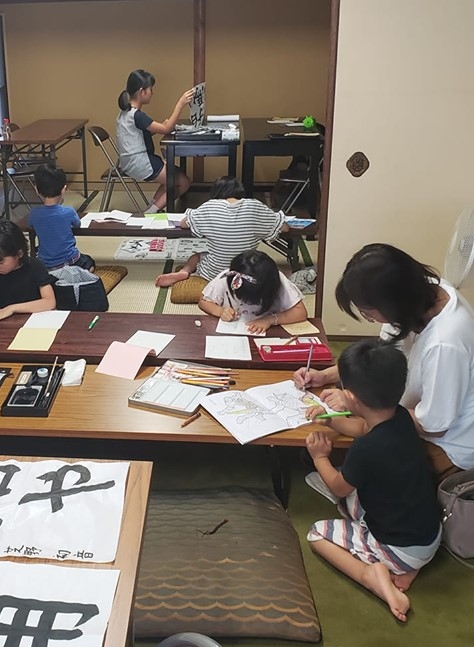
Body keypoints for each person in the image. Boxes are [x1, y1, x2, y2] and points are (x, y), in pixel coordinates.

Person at [294, 242, 474, 479]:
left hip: (448, 444)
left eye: (369, 313)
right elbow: (380, 352)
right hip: (405, 409)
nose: (371, 320)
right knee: (326, 443)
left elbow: (435, 426)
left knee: (356, 460)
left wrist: (358, 403)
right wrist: (325, 375)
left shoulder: (445, 342)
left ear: (393, 303)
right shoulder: (423, 292)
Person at [304, 339, 442, 623]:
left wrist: (320, 458)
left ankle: (371, 575)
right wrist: (330, 421)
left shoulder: (366, 450)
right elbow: (362, 426)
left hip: (399, 547)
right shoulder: (401, 416)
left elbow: (339, 486)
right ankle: (407, 567)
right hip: (429, 535)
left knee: (317, 533)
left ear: (351, 397)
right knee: (357, 499)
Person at [155, 176, 290, 287]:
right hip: (247, 270)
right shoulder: (254, 206)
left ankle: (184, 272)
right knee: (261, 259)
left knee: (197, 256)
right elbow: (284, 228)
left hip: (214, 272)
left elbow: (184, 224)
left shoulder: (210, 206)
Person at [115, 69, 194, 212]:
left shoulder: (125, 113)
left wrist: (161, 126)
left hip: (130, 161)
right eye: (150, 89)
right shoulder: (137, 115)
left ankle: (152, 207)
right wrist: (180, 104)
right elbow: (166, 129)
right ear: (142, 91)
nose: (152, 93)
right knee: (183, 182)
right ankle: (151, 212)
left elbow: (138, 133)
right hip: (140, 162)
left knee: (174, 174)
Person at [198, 249, 307, 334]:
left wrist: (269, 320)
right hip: (232, 331)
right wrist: (220, 311)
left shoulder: (280, 281)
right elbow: (203, 302)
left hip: (270, 332)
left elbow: (300, 312)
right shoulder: (227, 278)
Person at [28, 164, 94, 272]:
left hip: (46, 265)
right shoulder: (68, 212)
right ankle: (78, 276)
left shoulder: (34, 214)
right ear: (63, 189)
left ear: (36, 189)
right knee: (89, 262)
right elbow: (77, 224)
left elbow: (30, 225)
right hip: (71, 262)